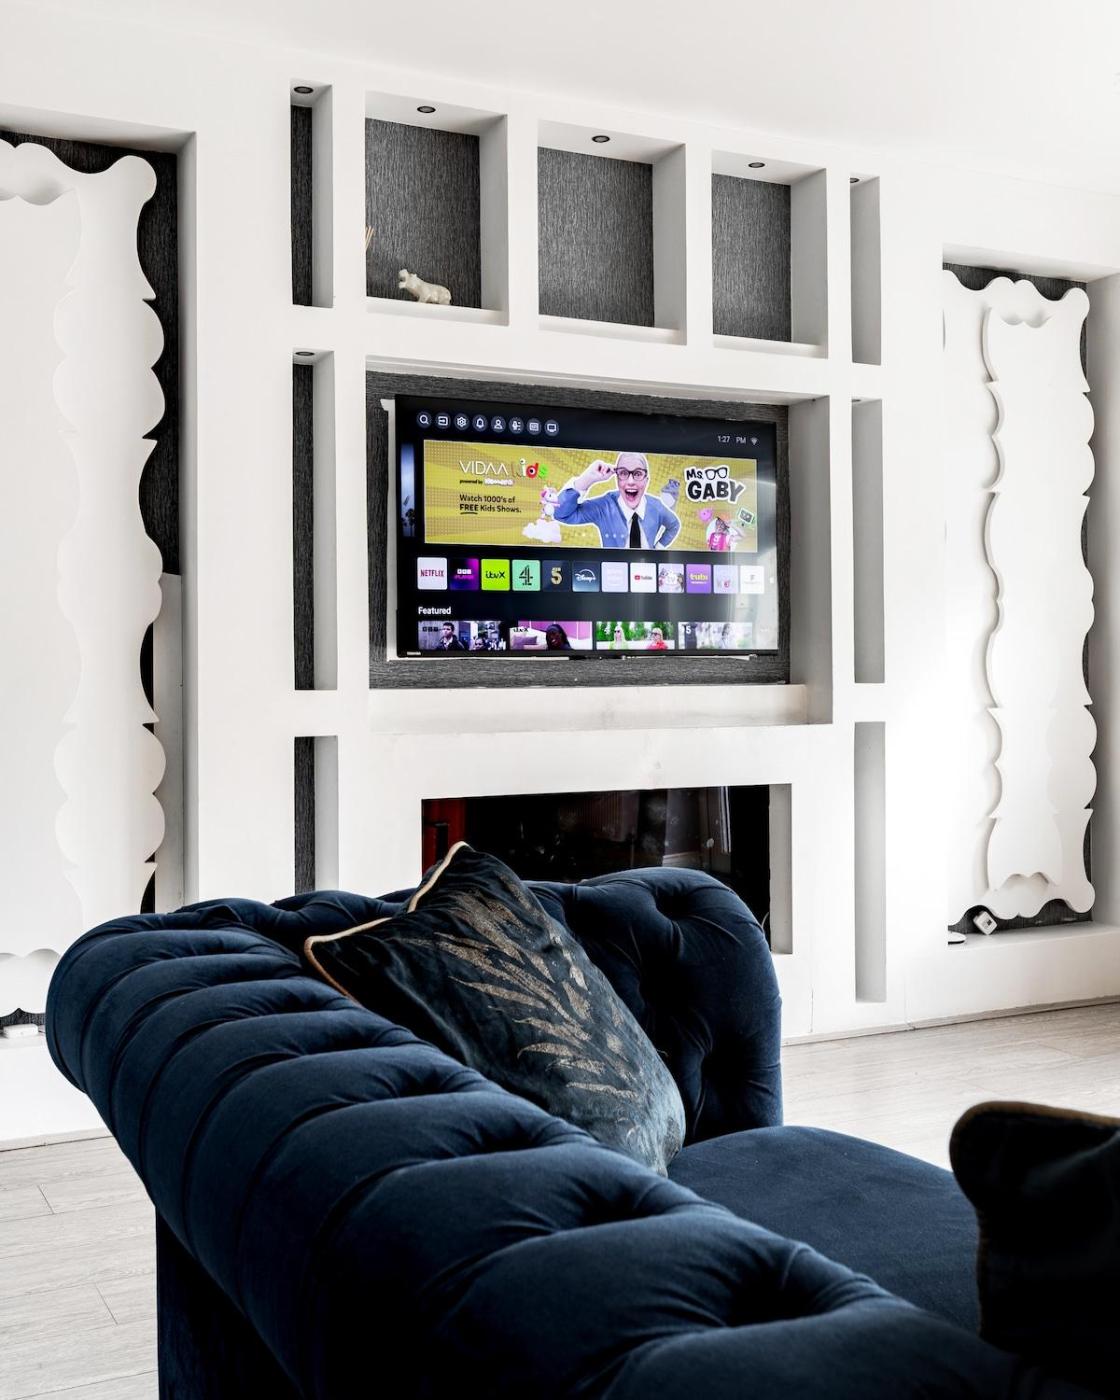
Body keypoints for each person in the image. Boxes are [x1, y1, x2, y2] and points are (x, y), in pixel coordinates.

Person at [554, 452, 680, 549]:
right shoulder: (604, 507)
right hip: (613, 573)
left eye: (638, 474)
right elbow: (562, 514)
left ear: (646, 480)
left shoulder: (656, 506)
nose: (630, 481)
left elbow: (674, 525)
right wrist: (586, 479)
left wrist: (658, 548)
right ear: (617, 479)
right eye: (623, 473)